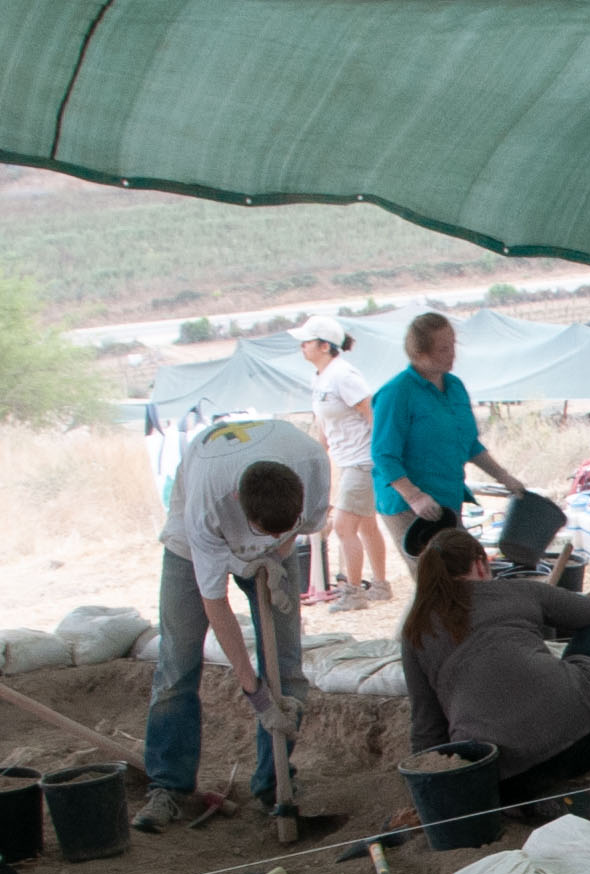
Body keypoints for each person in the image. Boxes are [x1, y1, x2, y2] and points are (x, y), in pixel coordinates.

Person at [141, 416, 331, 833]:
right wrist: (256, 697)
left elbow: (305, 526)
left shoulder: (313, 462)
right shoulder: (208, 506)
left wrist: (275, 556)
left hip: (273, 547)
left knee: (285, 666)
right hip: (191, 547)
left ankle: (274, 785)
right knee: (177, 663)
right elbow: (217, 607)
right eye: (260, 531)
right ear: (238, 502)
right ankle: (169, 787)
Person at [400, 525, 590, 815]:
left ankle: (523, 804)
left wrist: (430, 792)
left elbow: (427, 728)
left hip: (503, 775)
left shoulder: (416, 629)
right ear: (480, 564)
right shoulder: (517, 590)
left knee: (507, 774)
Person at [368, 311, 535, 556]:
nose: (452, 354)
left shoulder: (454, 386)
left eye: (453, 345)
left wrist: (503, 476)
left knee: (465, 567)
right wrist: (414, 497)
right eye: (443, 349)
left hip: (448, 496)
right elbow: (383, 455)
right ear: (419, 353)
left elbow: (470, 444)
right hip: (410, 506)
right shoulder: (396, 393)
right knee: (435, 573)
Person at [304, 330, 392, 607]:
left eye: (307, 342)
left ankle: (353, 593)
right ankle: (380, 585)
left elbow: (372, 413)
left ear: (325, 346)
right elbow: (324, 424)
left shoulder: (343, 375)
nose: (302, 346)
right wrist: (319, 454)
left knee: (343, 526)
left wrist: (381, 453)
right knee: (366, 524)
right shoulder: (320, 378)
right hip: (348, 459)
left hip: (362, 460)